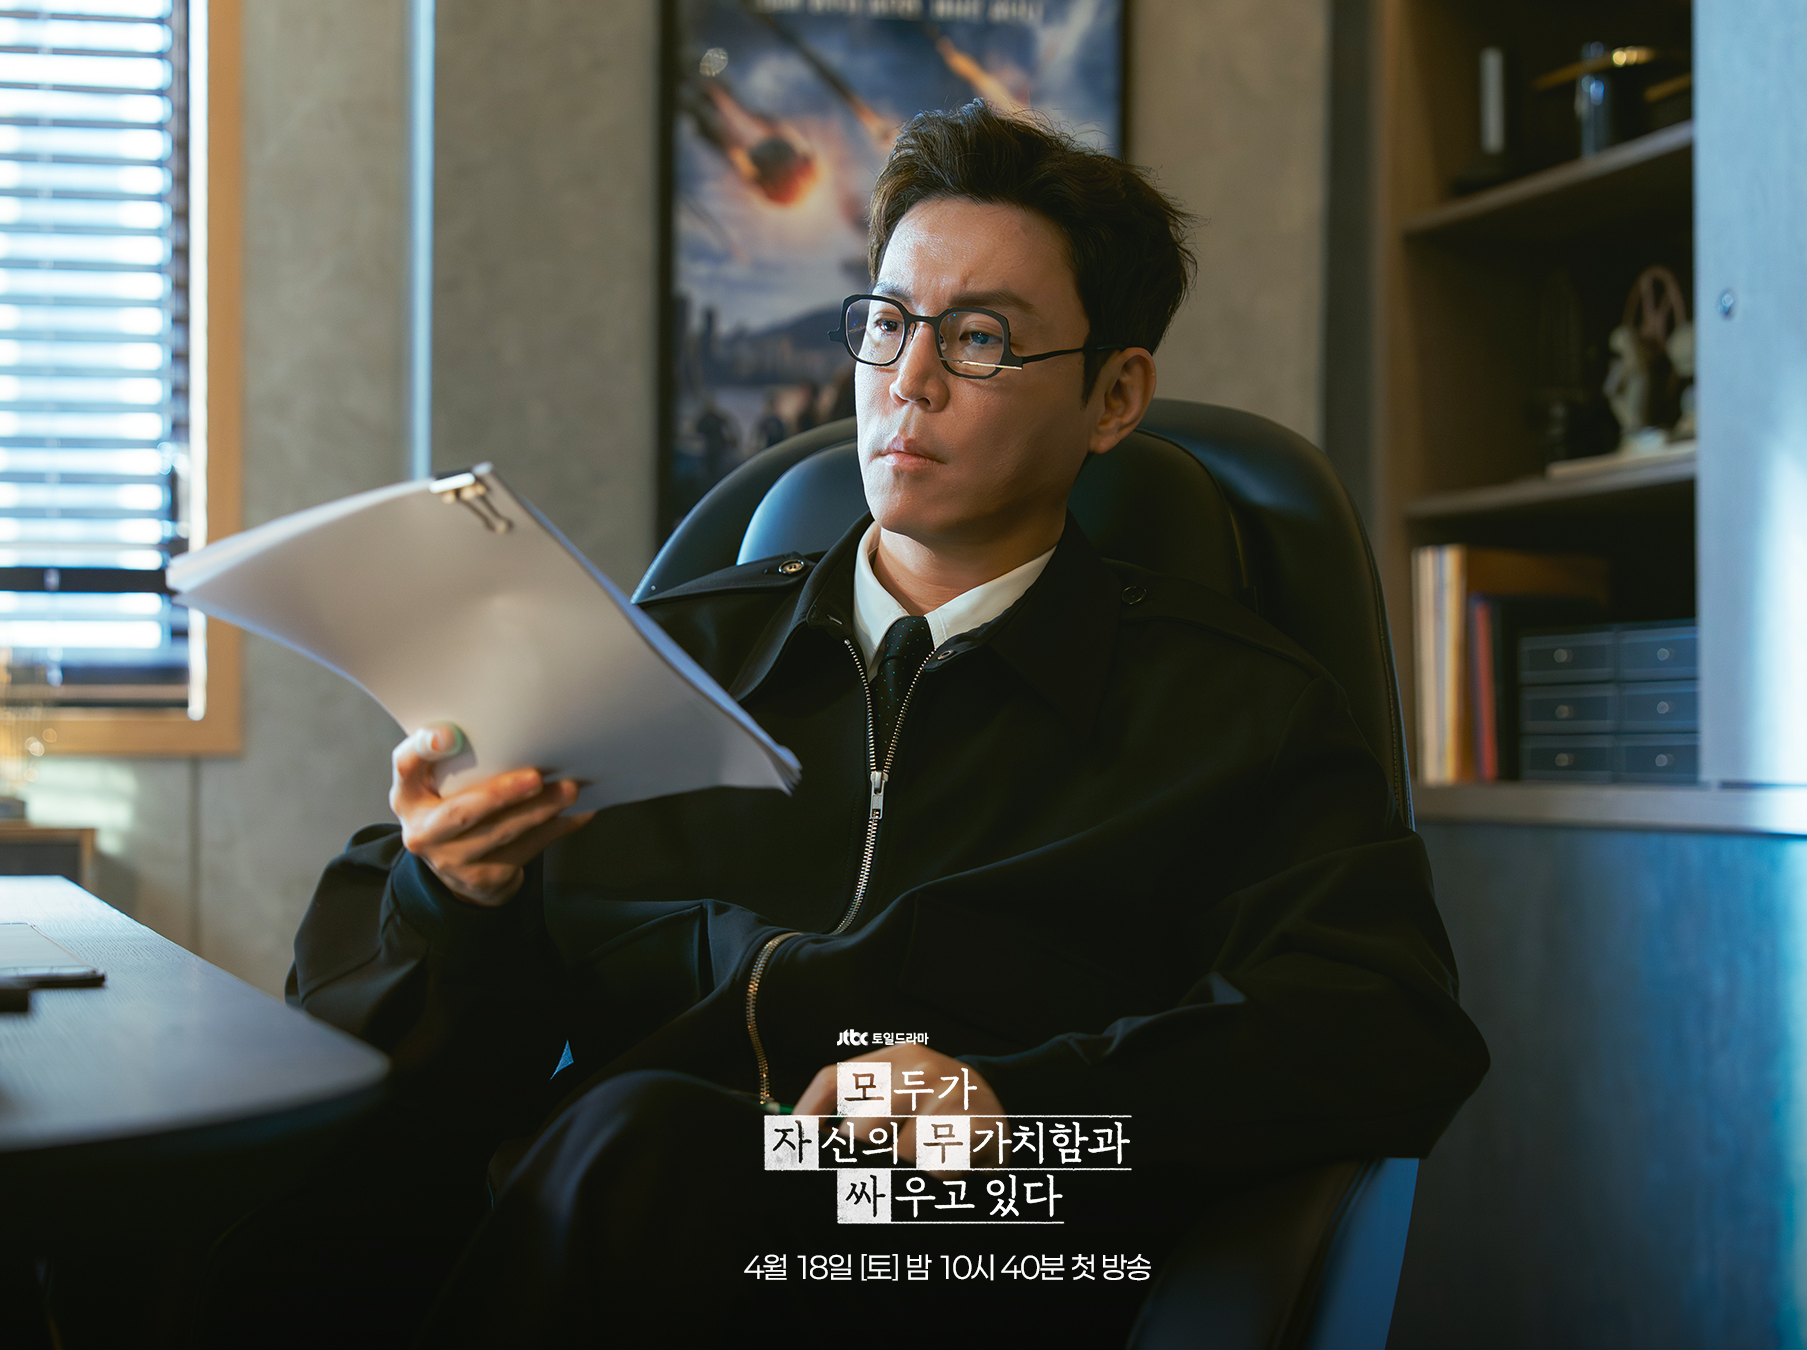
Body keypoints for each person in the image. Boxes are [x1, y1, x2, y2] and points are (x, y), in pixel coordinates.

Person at [227, 102, 1488, 1348]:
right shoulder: (671, 658)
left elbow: (1385, 1026)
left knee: (642, 1146)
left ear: (1113, 397)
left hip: (983, 1220)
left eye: (981, 339)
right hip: (631, 1214)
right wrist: (457, 891)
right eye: (887, 324)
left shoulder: (1237, 709)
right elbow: (402, 1039)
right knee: (265, 1191)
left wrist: (1016, 1105)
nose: (910, 382)